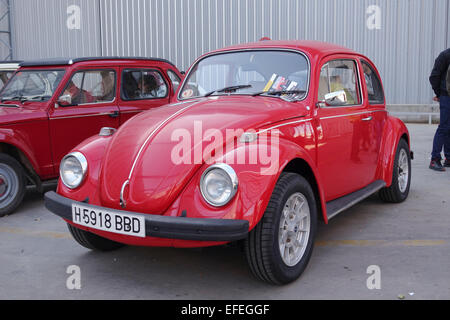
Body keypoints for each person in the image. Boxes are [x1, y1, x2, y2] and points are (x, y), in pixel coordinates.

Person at [429, 48, 450, 171]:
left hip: (445, 94)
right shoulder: (445, 55)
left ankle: (448, 158)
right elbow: (434, 77)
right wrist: (440, 94)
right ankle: (434, 159)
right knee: (444, 127)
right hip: (446, 95)